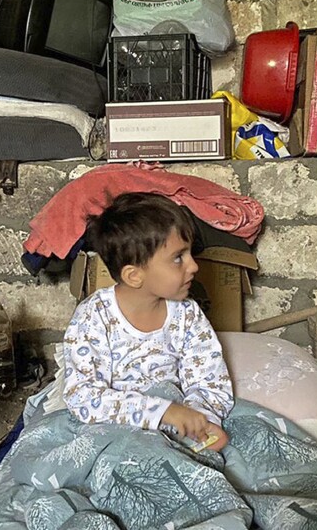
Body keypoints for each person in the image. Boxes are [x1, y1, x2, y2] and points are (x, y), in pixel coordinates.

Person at [62, 192, 233, 452]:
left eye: (190, 253)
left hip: (173, 419)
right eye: (178, 258)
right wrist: (162, 412)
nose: (194, 266)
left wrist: (199, 422)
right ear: (134, 275)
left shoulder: (187, 314)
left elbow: (209, 381)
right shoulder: (93, 317)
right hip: (112, 426)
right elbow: (84, 396)